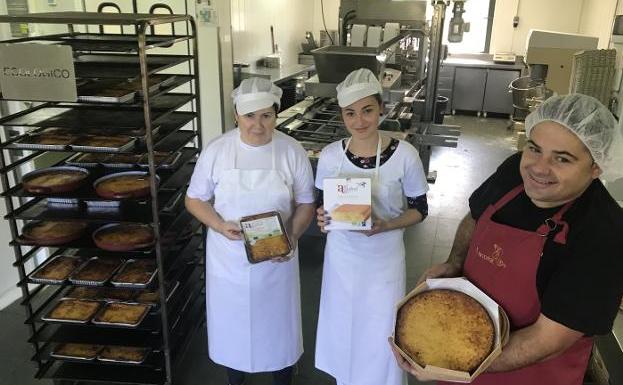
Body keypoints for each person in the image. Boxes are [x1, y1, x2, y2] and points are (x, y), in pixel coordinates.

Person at [390, 93, 623, 385]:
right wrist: (454, 262)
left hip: (529, 374)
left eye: (562, 158)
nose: (539, 168)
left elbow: (546, 341)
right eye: (535, 149)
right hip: (461, 344)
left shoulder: (604, 235)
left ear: (596, 166)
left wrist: (450, 362)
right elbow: (475, 216)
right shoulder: (515, 170)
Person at [185, 77, 316, 385]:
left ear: (276, 115)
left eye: (266, 115)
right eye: (249, 116)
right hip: (229, 261)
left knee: (277, 327)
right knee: (234, 328)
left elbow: (307, 203)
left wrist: (292, 237)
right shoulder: (217, 151)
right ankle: (235, 378)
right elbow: (194, 199)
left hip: (277, 260)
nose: (258, 125)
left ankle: (282, 376)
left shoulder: (291, 151)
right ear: (236, 116)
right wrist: (218, 224)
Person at [314, 68, 430, 385]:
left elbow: (420, 210)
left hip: (384, 258)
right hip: (341, 259)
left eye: (367, 110)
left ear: (381, 107)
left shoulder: (405, 155)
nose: (360, 121)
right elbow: (321, 205)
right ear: (342, 116)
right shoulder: (329, 156)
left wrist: (387, 224)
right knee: (343, 323)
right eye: (350, 113)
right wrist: (322, 219)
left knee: (381, 327)